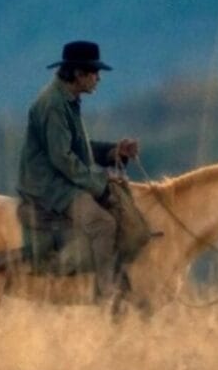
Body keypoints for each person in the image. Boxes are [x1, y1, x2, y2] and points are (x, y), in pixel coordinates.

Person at [17, 40, 141, 299]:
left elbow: (79, 148)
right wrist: (100, 185)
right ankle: (109, 293)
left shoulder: (67, 100)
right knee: (103, 223)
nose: (98, 78)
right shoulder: (53, 105)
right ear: (78, 74)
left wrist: (113, 152)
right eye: (94, 72)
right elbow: (62, 158)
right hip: (49, 186)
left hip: (61, 178)